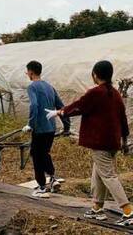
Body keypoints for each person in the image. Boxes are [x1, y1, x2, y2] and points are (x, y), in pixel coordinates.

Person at [47, 60, 132, 226]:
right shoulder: (115, 94)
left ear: (94, 74)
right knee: (98, 174)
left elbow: (80, 106)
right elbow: (123, 119)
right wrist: (124, 141)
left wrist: (60, 112)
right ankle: (97, 208)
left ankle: (128, 211)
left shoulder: (96, 93)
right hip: (113, 142)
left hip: (100, 142)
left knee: (108, 176)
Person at [22, 60, 69, 198]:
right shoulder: (49, 87)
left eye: (27, 72)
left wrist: (30, 124)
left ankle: (42, 187)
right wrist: (66, 125)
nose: (27, 74)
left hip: (40, 128)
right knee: (44, 153)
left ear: (30, 72)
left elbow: (34, 105)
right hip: (51, 128)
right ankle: (53, 179)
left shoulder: (32, 87)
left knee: (37, 156)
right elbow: (61, 106)